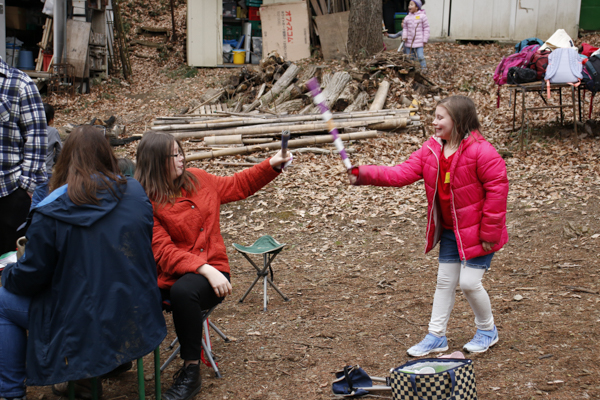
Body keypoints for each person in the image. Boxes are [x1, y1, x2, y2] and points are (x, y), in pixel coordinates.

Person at [0, 125, 167, 400]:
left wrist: (10, 274)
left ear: (65, 159)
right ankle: (96, 369)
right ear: (108, 156)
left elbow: (32, 277)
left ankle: (10, 393)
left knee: (3, 302)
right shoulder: (136, 193)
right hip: (138, 309)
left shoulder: (50, 211)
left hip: (81, 320)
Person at [135, 131, 291, 400]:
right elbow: (163, 252)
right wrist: (204, 269)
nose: (182, 158)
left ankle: (190, 372)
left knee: (185, 292)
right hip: (177, 274)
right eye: (174, 154)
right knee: (178, 289)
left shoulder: (199, 179)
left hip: (214, 270)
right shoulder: (146, 202)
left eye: (180, 151)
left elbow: (238, 185)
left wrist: (272, 163)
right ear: (156, 161)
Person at [348, 95, 508, 356]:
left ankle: (487, 330)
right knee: (445, 282)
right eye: (435, 117)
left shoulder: (482, 151)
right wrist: (363, 174)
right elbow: (399, 174)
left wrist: (489, 232)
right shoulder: (431, 149)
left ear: (457, 121)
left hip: (479, 232)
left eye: (439, 117)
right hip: (448, 231)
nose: (434, 122)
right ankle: (436, 336)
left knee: (468, 283)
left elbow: (498, 191)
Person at [0, 56, 47, 255]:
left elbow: (36, 138)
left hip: (8, 194)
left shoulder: (19, 84)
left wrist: (25, 188)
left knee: (8, 264)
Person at [30, 103, 62, 209]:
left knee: (33, 198)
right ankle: (33, 223)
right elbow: (59, 151)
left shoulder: (31, 130)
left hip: (29, 170)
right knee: (39, 201)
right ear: (51, 119)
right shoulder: (53, 132)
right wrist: (54, 162)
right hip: (45, 171)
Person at [401, 0, 429, 70]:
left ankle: (424, 69)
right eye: (409, 5)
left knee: (420, 56)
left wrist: (425, 39)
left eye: (411, 5)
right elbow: (405, 28)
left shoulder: (422, 16)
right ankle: (411, 70)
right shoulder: (407, 17)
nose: (409, 6)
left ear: (417, 7)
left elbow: (426, 28)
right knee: (410, 58)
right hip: (409, 42)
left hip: (419, 41)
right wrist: (404, 36)